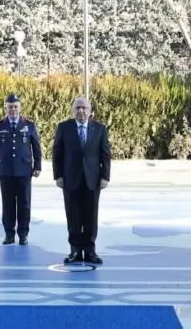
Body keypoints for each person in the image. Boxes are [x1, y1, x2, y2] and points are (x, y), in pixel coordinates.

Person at [52, 97, 111, 265]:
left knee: (91, 216)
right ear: (73, 110)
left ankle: (90, 251)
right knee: (73, 216)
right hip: (70, 179)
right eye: (78, 108)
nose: (81, 111)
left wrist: (105, 176)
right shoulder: (64, 128)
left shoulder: (99, 129)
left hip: (93, 180)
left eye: (84, 108)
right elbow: (57, 153)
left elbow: (105, 154)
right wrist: (58, 176)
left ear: (90, 111)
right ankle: (75, 251)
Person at [0, 93, 43, 245]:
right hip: (5, 171)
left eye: (15, 107)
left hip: (24, 171)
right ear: (6, 108)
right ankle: (9, 234)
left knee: (24, 204)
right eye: (10, 107)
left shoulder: (29, 125)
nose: (13, 110)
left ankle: (23, 234)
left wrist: (37, 166)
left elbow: (36, 147)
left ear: (20, 108)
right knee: (8, 204)